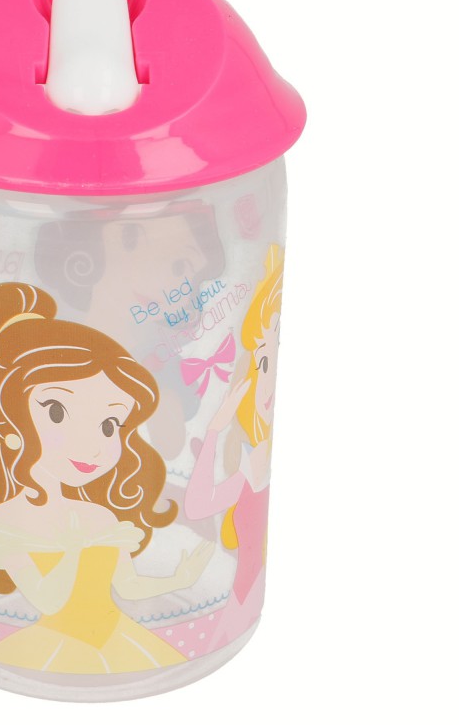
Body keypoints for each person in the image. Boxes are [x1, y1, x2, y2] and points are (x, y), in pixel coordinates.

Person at [0, 281, 213, 674]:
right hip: (47, 650)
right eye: (56, 412)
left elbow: (128, 586)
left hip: (121, 641)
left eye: (109, 424)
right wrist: (71, 551)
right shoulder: (6, 520)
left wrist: (180, 579)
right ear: (9, 416)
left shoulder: (100, 516)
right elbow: (47, 602)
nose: (93, 444)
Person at [184, 245, 283, 647]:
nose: (267, 379)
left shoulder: (252, 463)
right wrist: (214, 430)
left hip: (235, 603)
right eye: (261, 363)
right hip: (235, 606)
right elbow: (197, 506)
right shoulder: (246, 465)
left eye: (272, 357)